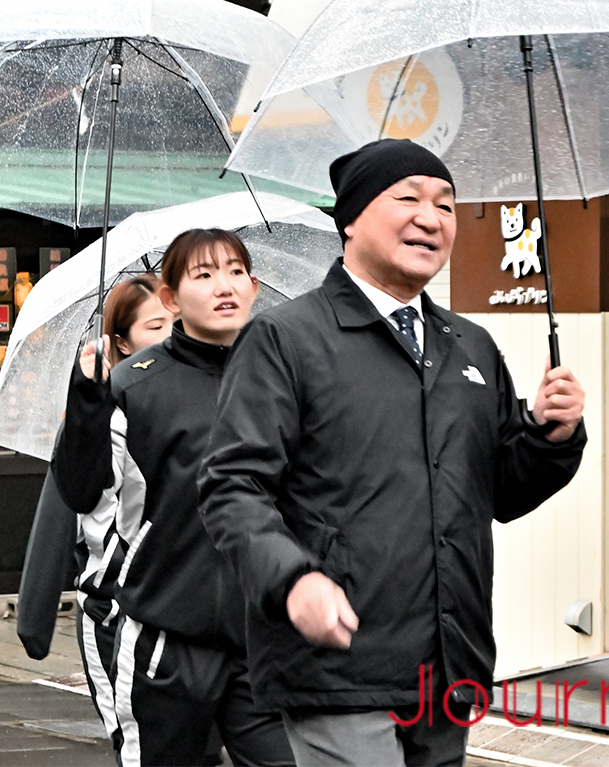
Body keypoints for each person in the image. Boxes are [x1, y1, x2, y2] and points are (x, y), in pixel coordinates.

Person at [198, 139, 588, 767]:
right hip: (337, 663)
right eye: (407, 198)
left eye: (446, 205)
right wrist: (293, 580)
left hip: (447, 660)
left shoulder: (471, 347)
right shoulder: (286, 338)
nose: (431, 218)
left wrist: (550, 435)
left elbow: (501, 493)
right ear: (350, 219)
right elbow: (232, 486)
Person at [55, 231, 293, 767]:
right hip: (164, 639)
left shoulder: (284, 377)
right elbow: (81, 490)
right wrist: (87, 403)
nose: (223, 287)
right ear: (170, 298)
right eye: (203, 275)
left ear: (254, 287)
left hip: (263, 638)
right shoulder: (134, 385)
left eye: (235, 272)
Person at [20, 275, 173, 757]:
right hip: (114, 606)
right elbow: (76, 501)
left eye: (177, 321)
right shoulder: (100, 410)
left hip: (180, 607)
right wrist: (89, 403)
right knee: (137, 744)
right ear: (121, 341)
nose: (172, 334)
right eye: (156, 326)